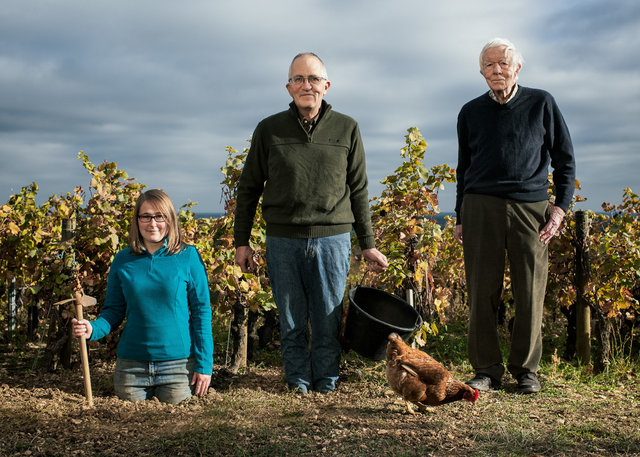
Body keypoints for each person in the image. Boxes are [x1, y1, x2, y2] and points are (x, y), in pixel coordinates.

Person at [234, 52, 388, 394]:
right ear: (288, 87)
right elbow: (248, 188)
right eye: (299, 79)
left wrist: (368, 243)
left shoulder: (347, 128)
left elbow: (359, 189)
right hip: (282, 240)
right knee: (290, 318)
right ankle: (298, 380)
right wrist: (241, 241)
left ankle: (327, 380)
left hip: (333, 240)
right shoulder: (269, 129)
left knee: (328, 318)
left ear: (326, 85)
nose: (307, 85)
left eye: (314, 79)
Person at [454, 38, 576, 394]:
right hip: (480, 207)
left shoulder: (542, 103)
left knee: (530, 290)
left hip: (530, 209)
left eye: (503, 64)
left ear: (517, 68)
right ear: (481, 71)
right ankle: (487, 371)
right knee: (481, 291)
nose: (496, 70)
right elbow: (464, 168)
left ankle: (526, 371)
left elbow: (565, 160)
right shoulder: (469, 112)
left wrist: (560, 210)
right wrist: (461, 215)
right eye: (489, 65)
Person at [72, 189, 213, 403]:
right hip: (131, 368)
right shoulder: (122, 260)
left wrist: (204, 365)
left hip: (178, 367)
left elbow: (202, 313)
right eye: (145, 216)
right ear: (137, 221)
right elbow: (113, 311)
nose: (152, 223)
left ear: (170, 219)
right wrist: (92, 328)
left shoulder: (188, 256)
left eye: (159, 216)